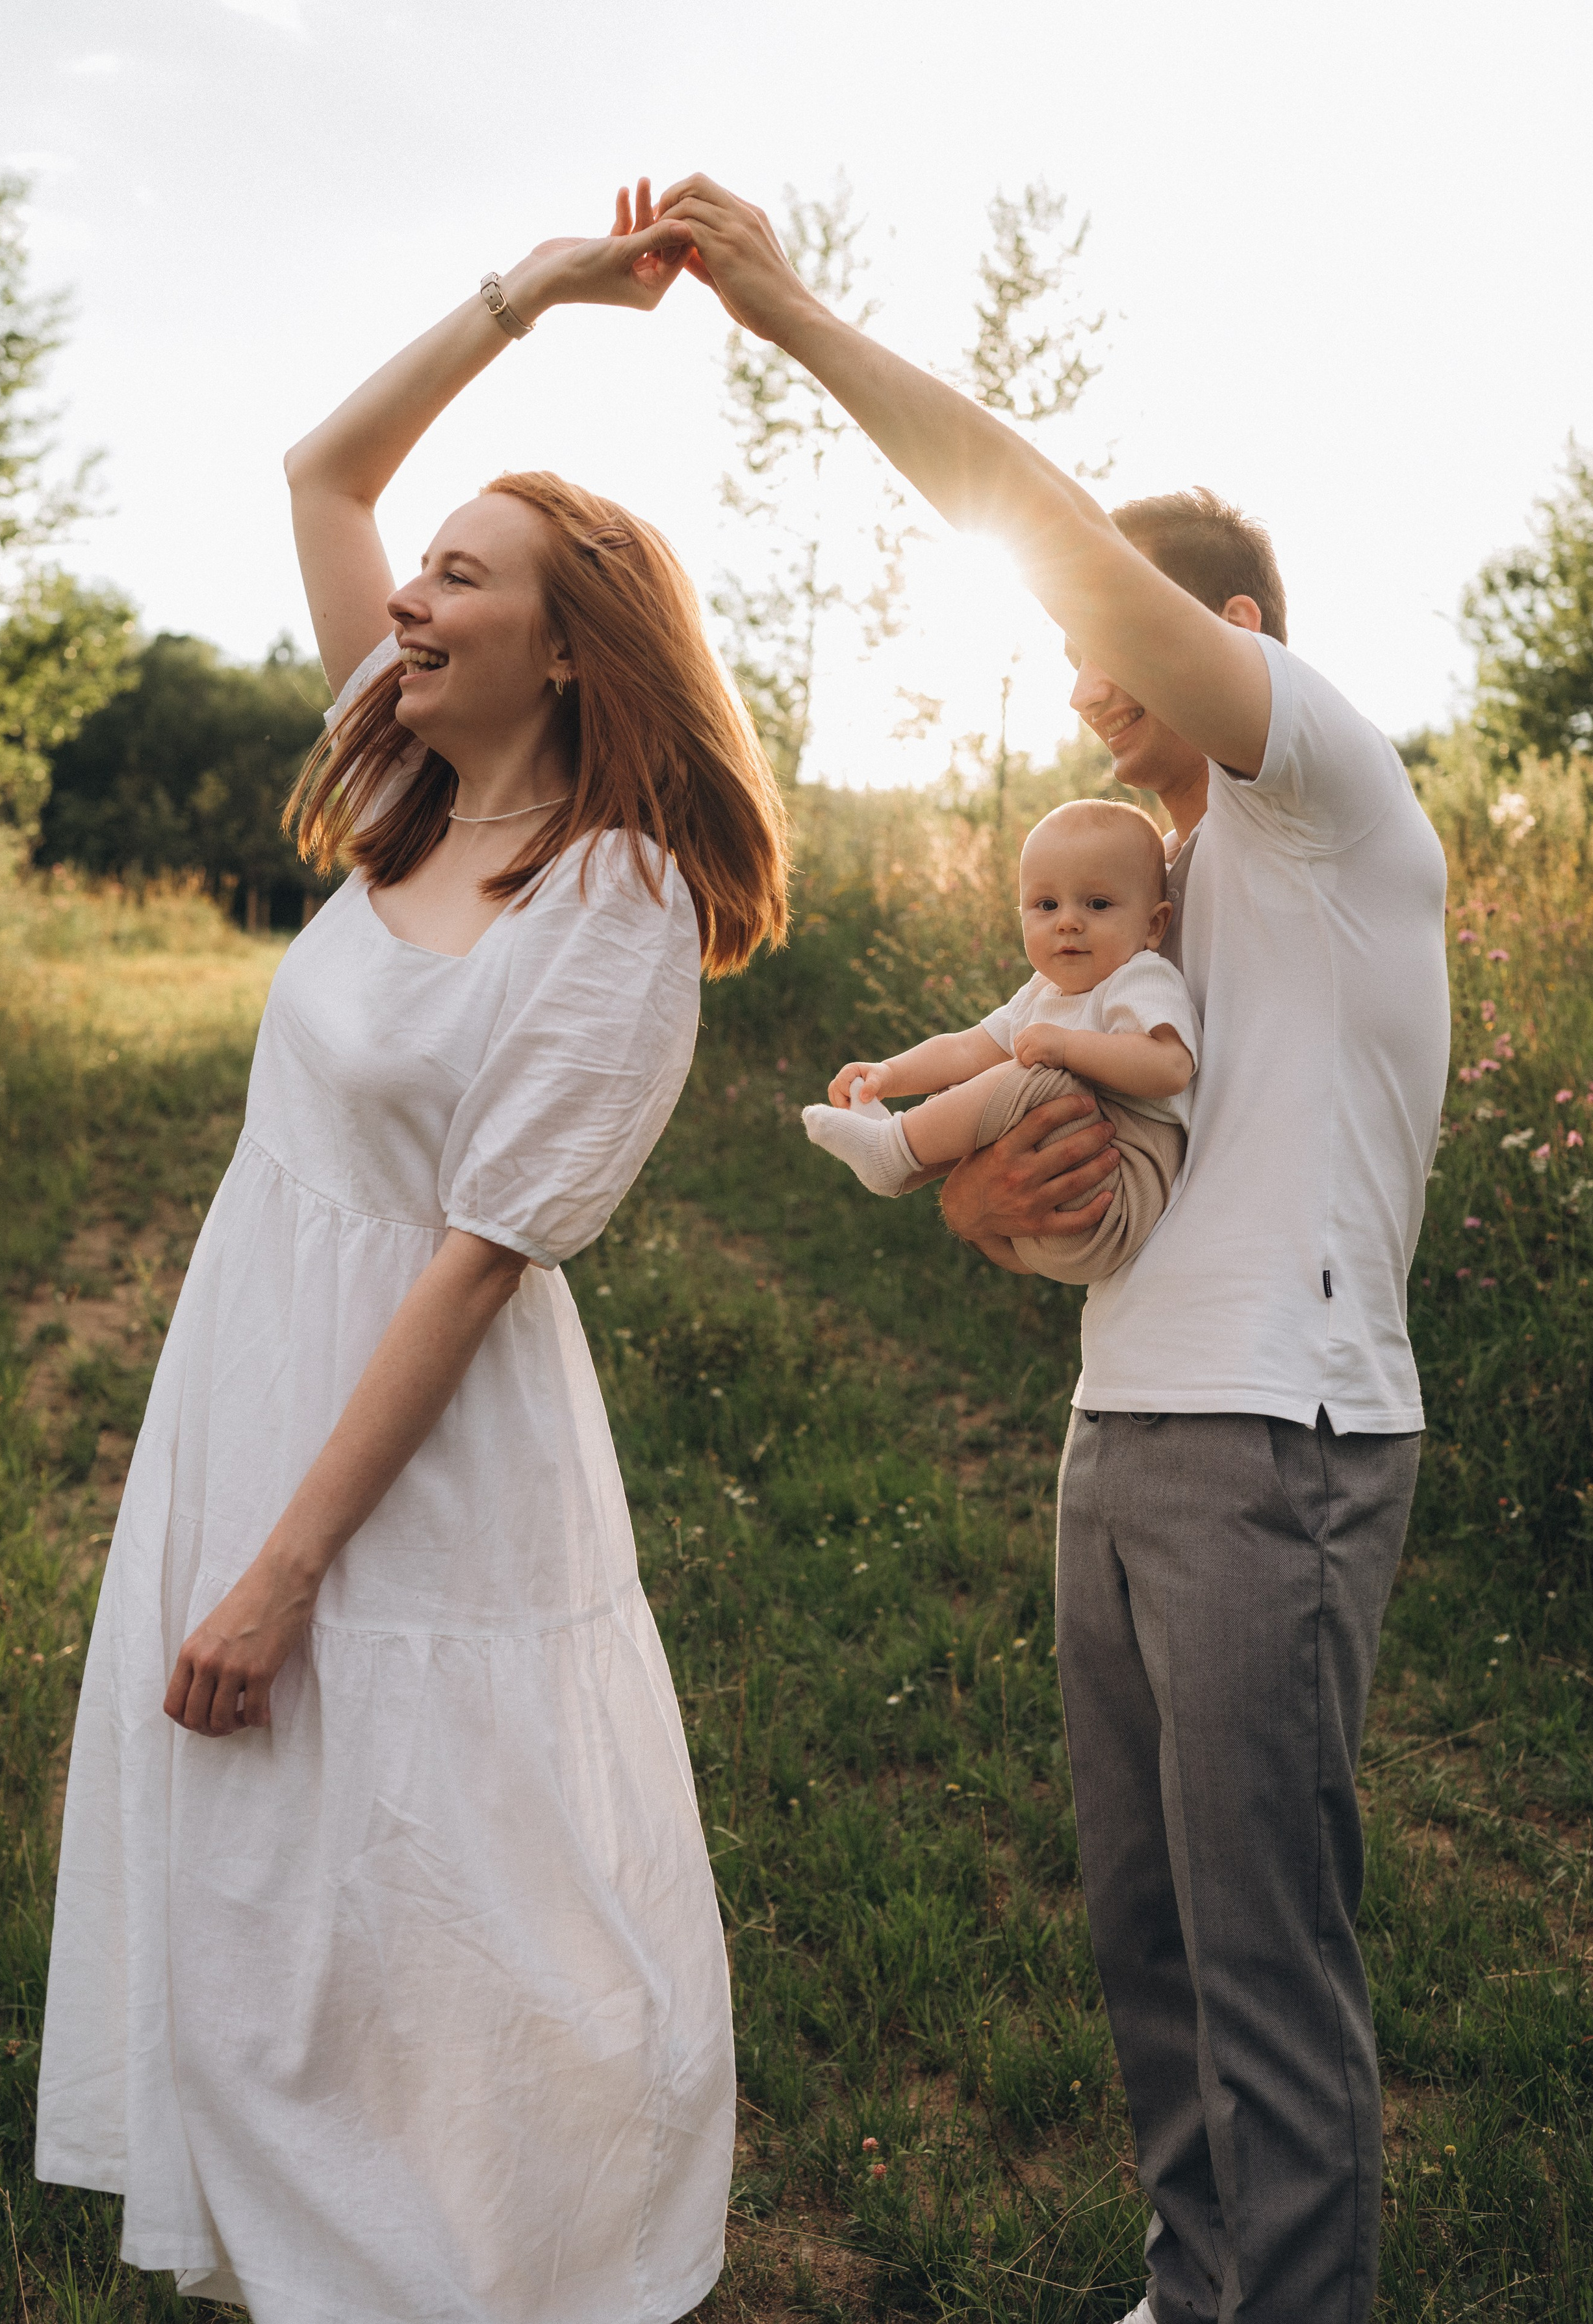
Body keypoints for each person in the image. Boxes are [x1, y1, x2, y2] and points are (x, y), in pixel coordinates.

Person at [654, 177, 1449, 2324]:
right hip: (1133, 1427)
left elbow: (1028, 501)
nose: (1088, 684)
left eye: (1115, 645)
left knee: (1261, 1946)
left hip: (1276, 1450)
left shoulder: (1331, 790)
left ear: (1233, 631)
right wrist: (1013, 1224)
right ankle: (1201, 2285)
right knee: (1145, 1925)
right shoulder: (1167, 893)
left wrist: (799, 314)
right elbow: (1130, 1178)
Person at [36, 185, 789, 2324]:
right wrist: (535, 295)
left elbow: (476, 1262)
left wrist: (285, 1565)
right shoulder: (401, 779)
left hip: (429, 1444)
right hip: (260, 1356)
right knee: (284, 1856)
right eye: (422, 573)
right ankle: (323, 2260)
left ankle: (510, 2259)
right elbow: (322, 470)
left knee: (463, 1888)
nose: (416, 593)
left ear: (569, 646)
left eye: (467, 576)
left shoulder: (616, 898)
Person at [801, 798, 1199, 1284]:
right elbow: (966, 1049)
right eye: (1046, 905)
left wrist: (1068, 1048)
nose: (1068, 922)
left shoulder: (1139, 979)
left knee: (1040, 1078)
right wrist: (889, 1074)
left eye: (1097, 904)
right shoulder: (1042, 993)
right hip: (1047, 1214)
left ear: (1154, 924)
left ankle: (892, 1152)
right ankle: (904, 1157)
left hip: (1119, 1191)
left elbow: (1172, 1066)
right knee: (987, 1082)